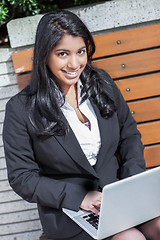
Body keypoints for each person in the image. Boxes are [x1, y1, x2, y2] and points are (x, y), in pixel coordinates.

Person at [3, 10, 160, 240]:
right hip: (71, 212)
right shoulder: (21, 109)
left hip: (119, 198)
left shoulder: (102, 83)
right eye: (63, 54)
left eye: (81, 52)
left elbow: (129, 135)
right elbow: (22, 177)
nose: (74, 63)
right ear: (44, 55)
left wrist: (131, 182)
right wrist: (80, 198)